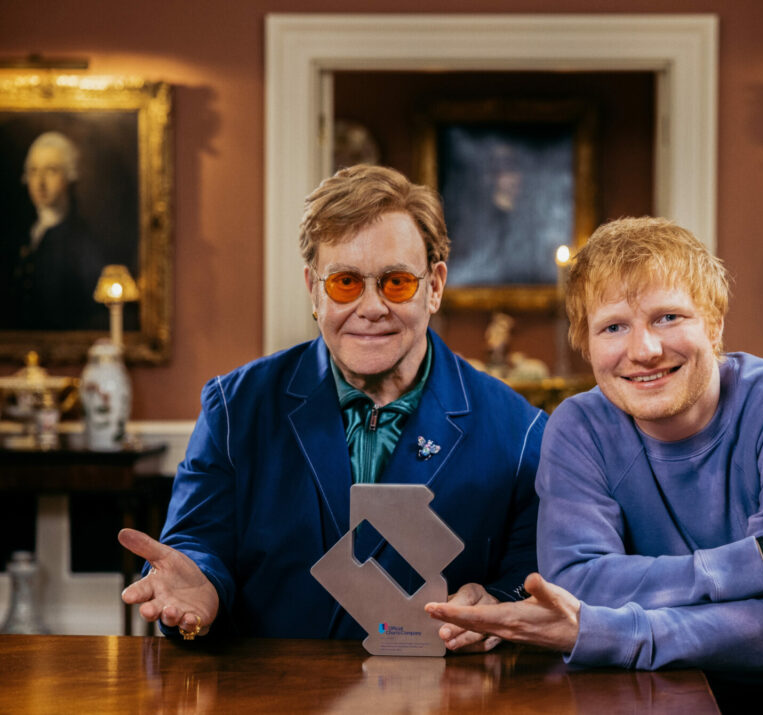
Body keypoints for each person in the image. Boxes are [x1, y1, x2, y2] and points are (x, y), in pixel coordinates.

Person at [427, 217, 763, 713]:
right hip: (656, 690)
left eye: (668, 318)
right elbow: (580, 582)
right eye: (613, 327)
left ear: (715, 322)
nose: (644, 351)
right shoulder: (578, 427)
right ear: (586, 344)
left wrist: (602, 631)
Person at [119, 165, 547, 646]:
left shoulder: (521, 431)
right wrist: (199, 594)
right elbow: (197, 545)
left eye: (397, 282)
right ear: (313, 289)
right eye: (345, 282)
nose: (370, 308)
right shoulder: (236, 408)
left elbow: (533, 575)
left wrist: (501, 603)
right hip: (272, 697)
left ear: (435, 286)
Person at [6, 131, 107, 331]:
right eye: (34, 171)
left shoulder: (82, 243)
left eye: (51, 170)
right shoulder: (19, 236)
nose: (40, 182)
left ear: (69, 176)